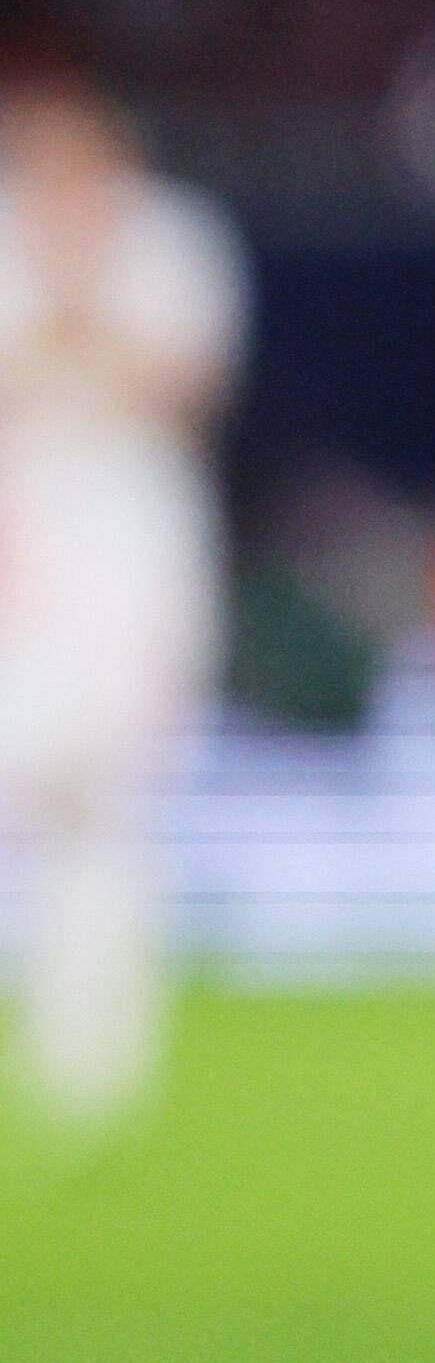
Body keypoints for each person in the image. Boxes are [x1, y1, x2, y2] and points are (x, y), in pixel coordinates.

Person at [0, 58, 242, 1138]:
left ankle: (95, 1066)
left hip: (134, 563)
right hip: (24, 559)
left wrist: (71, 332)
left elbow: (180, 381)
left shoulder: (171, 243)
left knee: (107, 807)